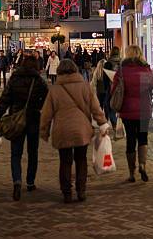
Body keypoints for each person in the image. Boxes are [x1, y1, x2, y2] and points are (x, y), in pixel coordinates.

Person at [40, 59, 109, 203]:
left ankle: (66, 192)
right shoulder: (85, 87)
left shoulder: (55, 90)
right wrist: (103, 123)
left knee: (65, 161)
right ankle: (81, 190)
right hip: (81, 130)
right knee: (81, 160)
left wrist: (44, 131)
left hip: (62, 130)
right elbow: (95, 108)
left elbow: (46, 114)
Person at [0, 56, 48, 201]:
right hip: (33, 120)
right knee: (32, 152)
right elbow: (47, 100)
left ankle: (17, 181)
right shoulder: (39, 81)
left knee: (16, 154)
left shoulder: (14, 79)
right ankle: (30, 182)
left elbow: (4, 100)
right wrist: (40, 109)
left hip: (16, 120)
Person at [111, 45, 153, 183]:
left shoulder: (121, 71)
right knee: (143, 137)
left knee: (131, 139)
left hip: (127, 111)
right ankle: (143, 165)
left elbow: (114, 90)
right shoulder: (147, 70)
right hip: (144, 111)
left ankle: (132, 172)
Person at [102, 46, 121, 129]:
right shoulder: (122, 63)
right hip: (121, 88)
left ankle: (114, 124)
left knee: (109, 106)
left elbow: (105, 78)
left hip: (110, 88)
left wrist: (106, 88)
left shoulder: (107, 63)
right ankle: (117, 124)